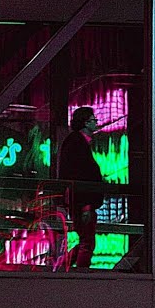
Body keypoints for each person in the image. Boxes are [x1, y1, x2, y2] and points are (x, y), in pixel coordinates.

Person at [58, 106, 104, 269]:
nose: (96, 123)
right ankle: (80, 273)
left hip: (80, 201)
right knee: (87, 241)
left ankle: (64, 267)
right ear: (85, 123)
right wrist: (86, 205)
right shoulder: (77, 144)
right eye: (93, 120)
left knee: (85, 239)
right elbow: (81, 176)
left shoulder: (75, 142)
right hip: (82, 202)